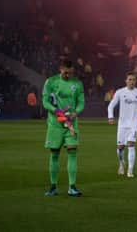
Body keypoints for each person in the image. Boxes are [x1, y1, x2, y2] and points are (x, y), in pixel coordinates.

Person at [42, 59, 85, 197]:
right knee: (54, 154)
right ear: (60, 69)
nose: (68, 75)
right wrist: (56, 111)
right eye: (66, 72)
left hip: (71, 124)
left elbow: (81, 103)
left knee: (72, 152)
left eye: (71, 73)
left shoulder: (77, 84)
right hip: (55, 124)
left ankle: (72, 187)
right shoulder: (51, 82)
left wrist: (75, 112)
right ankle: (53, 187)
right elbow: (45, 101)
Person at [108, 72, 137, 178]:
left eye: (133, 80)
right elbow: (111, 106)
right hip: (122, 124)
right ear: (126, 81)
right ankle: (121, 163)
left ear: (136, 81)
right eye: (129, 79)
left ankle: (130, 170)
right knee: (120, 148)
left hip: (134, 124)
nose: (131, 81)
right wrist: (110, 117)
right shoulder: (120, 92)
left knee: (131, 145)